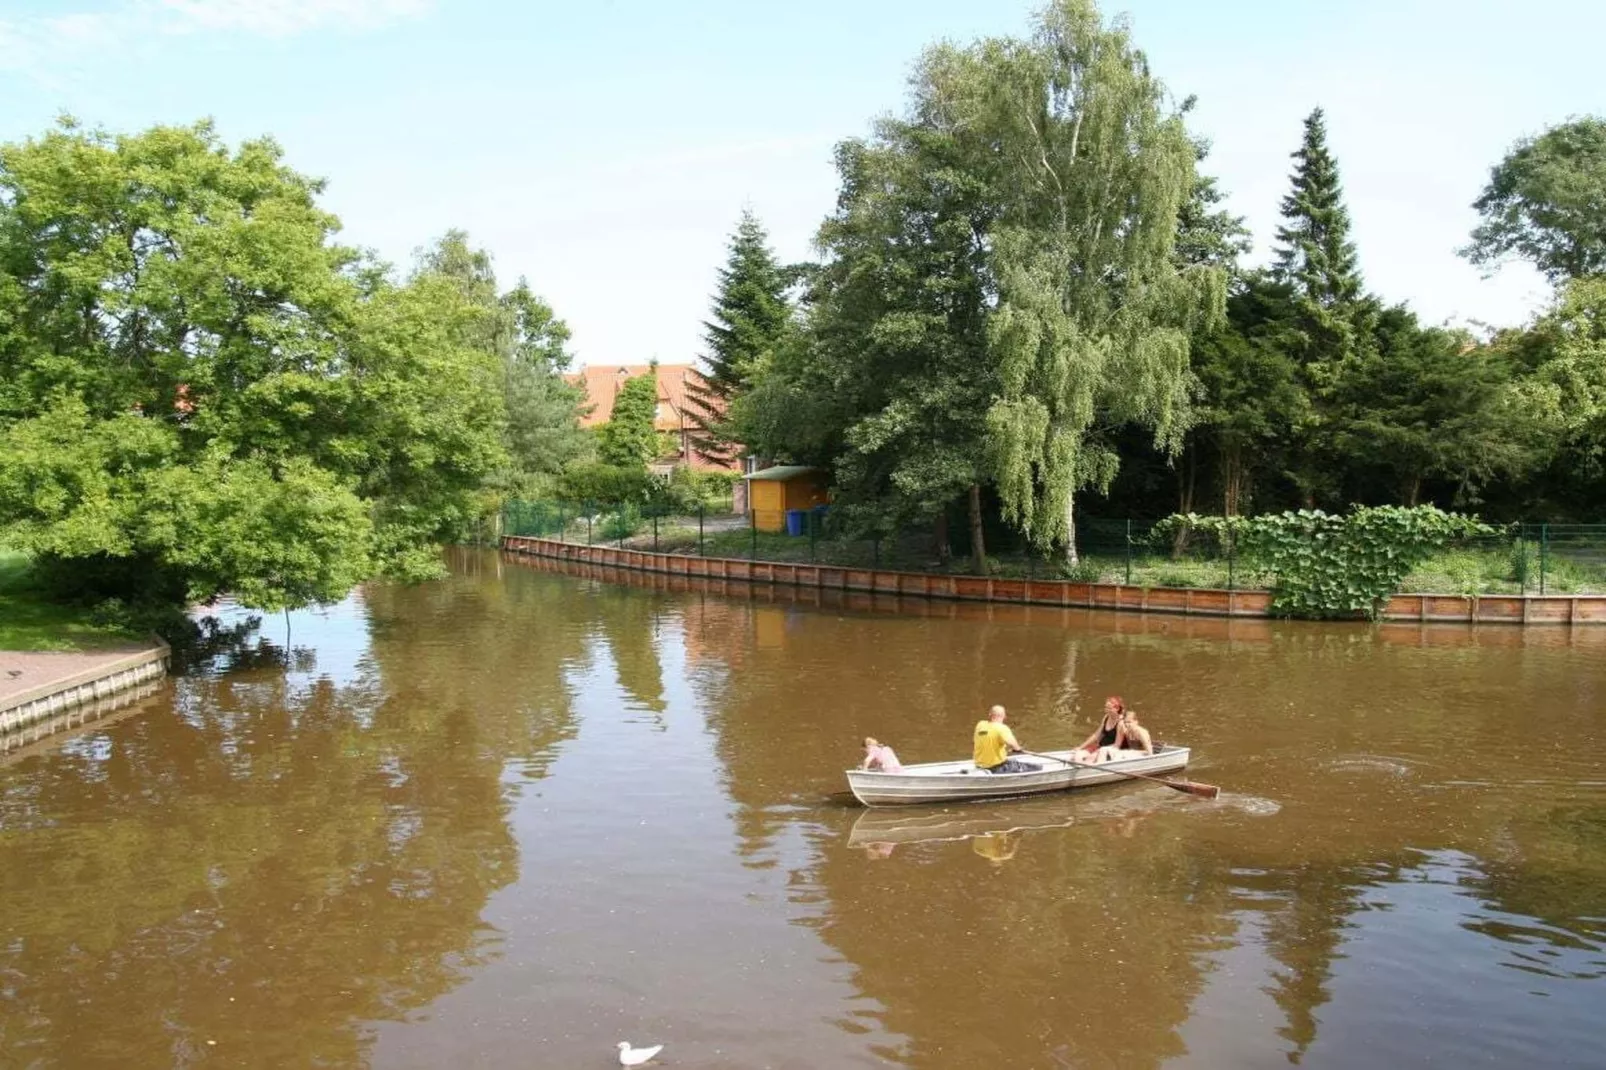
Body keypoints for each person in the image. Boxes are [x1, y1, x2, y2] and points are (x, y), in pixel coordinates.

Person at [973, 705, 1037, 774]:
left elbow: (990, 739)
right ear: (1003, 716)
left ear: (990, 715)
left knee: (1012, 761)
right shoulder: (1002, 728)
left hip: (979, 765)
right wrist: (1017, 749)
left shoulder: (980, 725)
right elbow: (1013, 744)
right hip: (996, 768)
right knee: (1036, 768)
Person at [1074, 696, 1128, 763]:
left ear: (1116, 708)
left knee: (1091, 758)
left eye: (1108, 708)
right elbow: (1096, 735)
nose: (1106, 710)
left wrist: (1099, 751)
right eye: (1105, 707)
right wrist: (1081, 747)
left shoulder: (1120, 723)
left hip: (1110, 750)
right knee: (1079, 754)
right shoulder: (1106, 717)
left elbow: (1117, 745)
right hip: (1101, 746)